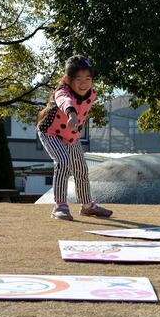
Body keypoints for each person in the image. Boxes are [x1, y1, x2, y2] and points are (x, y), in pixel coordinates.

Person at [36, 55, 113, 221]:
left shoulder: (91, 95)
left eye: (88, 78)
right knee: (63, 161)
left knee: (81, 169)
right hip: (51, 134)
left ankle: (87, 206)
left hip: (72, 137)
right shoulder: (62, 92)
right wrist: (72, 114)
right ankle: (60, 206)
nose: (84, 83)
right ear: (67, 79)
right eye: (78, 78)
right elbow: (65, 101)